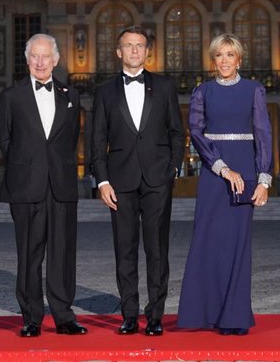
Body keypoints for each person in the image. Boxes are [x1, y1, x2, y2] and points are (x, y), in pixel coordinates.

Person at [89, 25, 185, 337]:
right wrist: (102, 181)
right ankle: (129, 315)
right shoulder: (104, 92)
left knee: (157, 250)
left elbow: (176, 133)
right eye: (128, 45)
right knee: (124, 250)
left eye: (139, 46)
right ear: (118, 51)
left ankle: (155, 315)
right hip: (119, 182)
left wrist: (172, 169)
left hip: (158, 179)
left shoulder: (165, 86)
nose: (134, 51)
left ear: (147, 51)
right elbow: (96, 140)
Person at [177, 34, 273, 336]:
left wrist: (263, 180)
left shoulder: (254, 90)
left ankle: (234, 317)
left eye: (230, 55)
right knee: (207, 242)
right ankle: (201, 314)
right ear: (213, 60)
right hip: (213, 175)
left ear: (239, 59)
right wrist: (221, 168)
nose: (224, 61)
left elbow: (263, 135)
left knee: (237, 246)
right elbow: (197, 132)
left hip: (244, 173)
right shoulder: (201, 92)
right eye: (219, 55)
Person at [0, 34, 87, 337]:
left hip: (61, 185)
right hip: (25, 186)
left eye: (46, 56)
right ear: (27, 59)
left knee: (62, 253)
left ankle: (63, 316)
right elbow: (5, 141)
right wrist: (28, 165)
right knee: (29, 254)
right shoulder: (11, 96)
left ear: (56, 60)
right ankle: (31, 317)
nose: (40, 61)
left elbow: (71, 139)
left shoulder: (70, 96)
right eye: (34, 55)